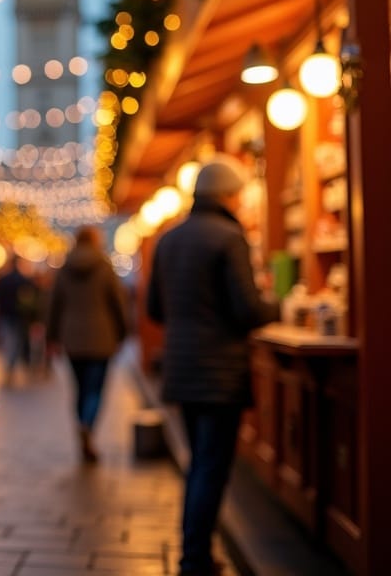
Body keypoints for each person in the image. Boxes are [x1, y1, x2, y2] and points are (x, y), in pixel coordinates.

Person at [147, 154, 278, 576]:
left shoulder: (168, 239)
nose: (241, 202)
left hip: (182, 370)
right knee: (211, 465)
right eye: (238, 194)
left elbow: (154, 307)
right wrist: (275, 305)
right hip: (220, 370)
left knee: (199, 461)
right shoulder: (228, 236)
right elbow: (246, 309)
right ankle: (195, 558)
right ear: (225, 194)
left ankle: (196, 552)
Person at [47, 225, 128, 462]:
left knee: (80, 388)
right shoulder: (104, 267)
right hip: (102, 337)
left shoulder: (64, 267)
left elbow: (54, 304)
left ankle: (82, 424)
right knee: (95, 388)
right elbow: (118, 302)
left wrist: (51, 337)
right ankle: (88, 425)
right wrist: (123, 332)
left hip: (71, 338)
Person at [0, 253, 38, 386]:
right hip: (19, 316)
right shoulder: (23, 280)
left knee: (8, 341)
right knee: (17, 342)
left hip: (4, 315)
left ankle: (10, 367)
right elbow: (31, 300)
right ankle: (12, 366)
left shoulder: (3, 279)